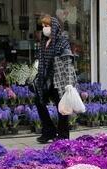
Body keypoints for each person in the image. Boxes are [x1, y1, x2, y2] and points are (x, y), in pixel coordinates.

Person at [33, 15, 71, 143]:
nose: (44, 29)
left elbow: (67, 62)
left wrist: (68, 82)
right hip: (45, 79)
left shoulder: (62, 42)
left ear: (54, 27)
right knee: (39, 101)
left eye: (47, 26)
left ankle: (63, 135)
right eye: (43, 26)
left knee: (62, 108)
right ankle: (49, 130)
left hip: (59, 80)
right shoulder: (43, 42)